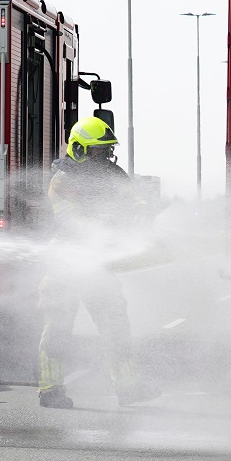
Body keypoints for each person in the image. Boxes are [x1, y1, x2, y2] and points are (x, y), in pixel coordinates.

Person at [36, 117, 151, 409]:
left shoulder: (114, 175)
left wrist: (141, 213)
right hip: (66, 261)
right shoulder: (62, 181)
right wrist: (108, 229)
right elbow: (71, 220)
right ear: (79, 149)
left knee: (115, 323)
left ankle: (129, 388)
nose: (104, 157)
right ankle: (50, 390)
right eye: (98, 151)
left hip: (98, 263)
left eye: (107, 151)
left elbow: (134, 200)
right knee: (58, 327)